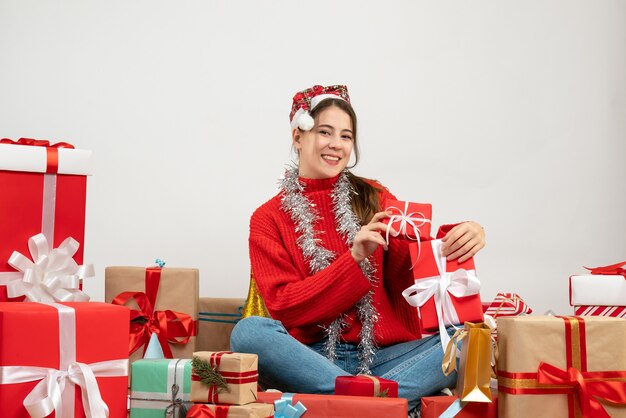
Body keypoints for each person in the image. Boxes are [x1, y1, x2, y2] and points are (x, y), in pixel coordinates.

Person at [231, 84, 486, 412]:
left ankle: (353, 404)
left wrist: (463, 234)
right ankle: (377, 404)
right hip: (311, 360)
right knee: (249, 334)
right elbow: (285, 305)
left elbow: (414, 259)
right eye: (325, 132)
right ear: (298, 137)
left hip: (384, 357)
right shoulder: (267, 218)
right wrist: (353, 258)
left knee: (468, 337)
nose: (336, 145)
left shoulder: (375, 196)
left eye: (346, 136)